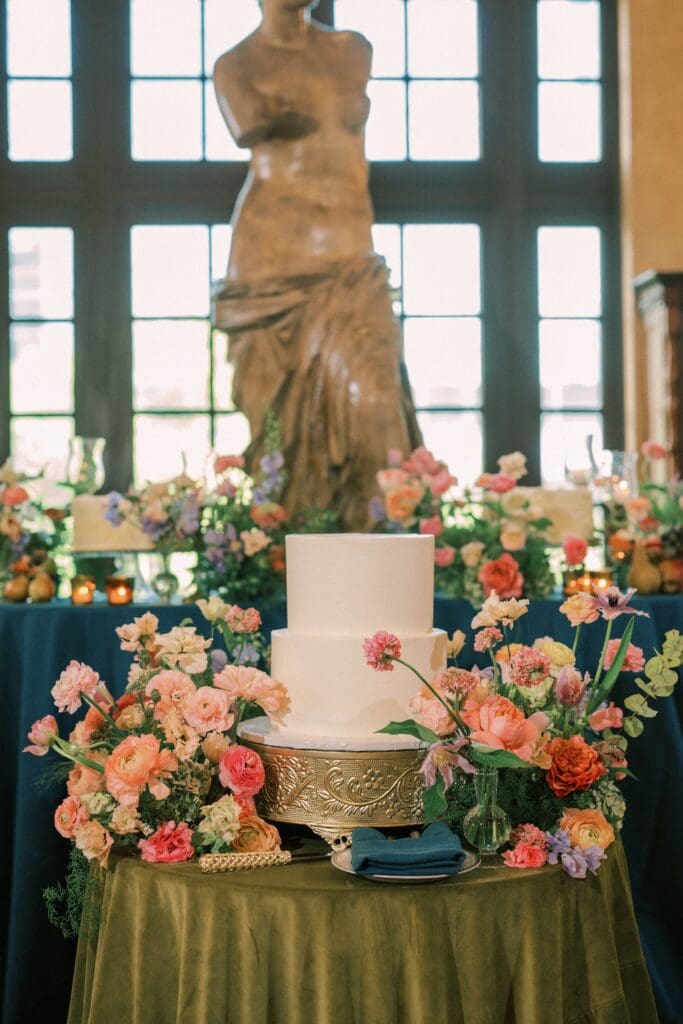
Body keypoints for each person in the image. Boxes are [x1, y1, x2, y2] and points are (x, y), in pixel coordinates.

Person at [212, 0, 421, 529]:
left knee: (377, 410)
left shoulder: (351, 49)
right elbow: (246, 127)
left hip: (351, 262)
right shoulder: (236, 65)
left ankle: (376, 584)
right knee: (280, 448)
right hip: (271, 263)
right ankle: (284, 577)